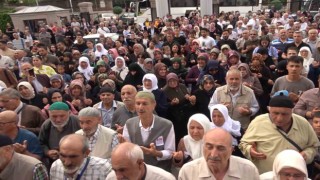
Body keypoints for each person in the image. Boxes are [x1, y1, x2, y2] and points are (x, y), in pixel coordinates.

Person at [239, 94, 319, 174]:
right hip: (266, 175)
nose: (280, 118)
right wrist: (250, 151)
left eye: (285, 114)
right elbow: (243, 144)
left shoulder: (303, 123)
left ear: (292, 111)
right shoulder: (258, 122)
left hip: (294, 176)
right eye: (275, 113)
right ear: (269, 110)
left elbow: (314, 146)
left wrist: (306, 155)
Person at [122, 91, 175, 172]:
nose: (140, 107)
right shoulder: (129, 123)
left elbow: (170, 152)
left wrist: (156, 153)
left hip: (160, 171)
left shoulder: (166, 125)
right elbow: (127, 151)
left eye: (144, 104)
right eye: (138, 103)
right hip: (137, 171)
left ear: (154, 105)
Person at [178, 128, 259, 180]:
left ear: (231, 150)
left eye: (221, 148)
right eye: (209, 147)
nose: (213, 154)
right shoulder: (188, 171)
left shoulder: (248, 170)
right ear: (203, 147)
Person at [106, 142, 176, 180]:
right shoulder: (111, 178)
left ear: (140, 163)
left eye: (122, 170)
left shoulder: (165, 178)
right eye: (115, 170)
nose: (118, 177)